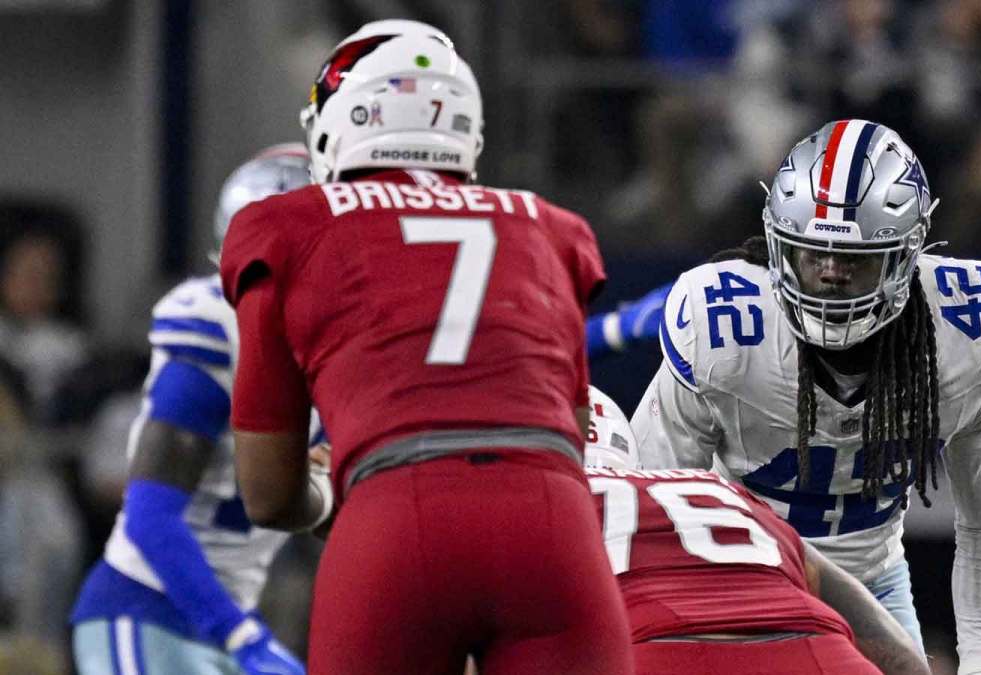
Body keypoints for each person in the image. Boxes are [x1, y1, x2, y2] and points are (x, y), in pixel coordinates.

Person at [218, 20, 632, 675]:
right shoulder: (552, 227)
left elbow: (267, 493)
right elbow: (569, 438)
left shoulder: (285, 225)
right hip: (553, 529)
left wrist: (330, 492)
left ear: (341, 120)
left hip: (395, 520)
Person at [632, 119, 981, 675]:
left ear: (906, 256)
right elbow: (651, 511)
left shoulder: (971, 335)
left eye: (856, 258)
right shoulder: (724, 333)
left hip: (873, 588)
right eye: (812, 254)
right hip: (736, 586)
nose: (830, 275)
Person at [69, 145, 313, 675]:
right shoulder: (218, 324)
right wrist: (242, 636)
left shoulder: (333, 344)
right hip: (147, 613)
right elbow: (151, 517)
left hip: (225, 617)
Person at [584, 386, 930, 674]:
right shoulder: (727, 495)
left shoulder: (556, 510)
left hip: (667, 652)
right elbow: (870, 624)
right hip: (821, 652)